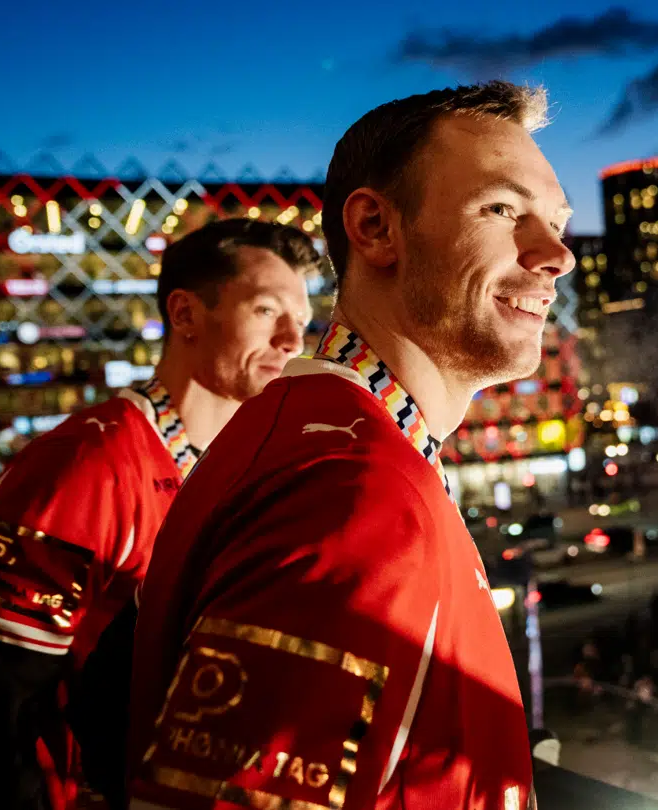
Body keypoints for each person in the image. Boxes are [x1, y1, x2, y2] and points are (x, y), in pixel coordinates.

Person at [125, 81, 573, 810]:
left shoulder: (324, 435)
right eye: (502, 210)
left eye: (557, 222)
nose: (556, 254)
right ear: (373, 228)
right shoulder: (352, 494)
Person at [0, 218, 317, 809]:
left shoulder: (245, 466)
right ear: (184, 315)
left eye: (303, 323)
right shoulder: (87, 464)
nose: (293, 341)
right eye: (266, 311)